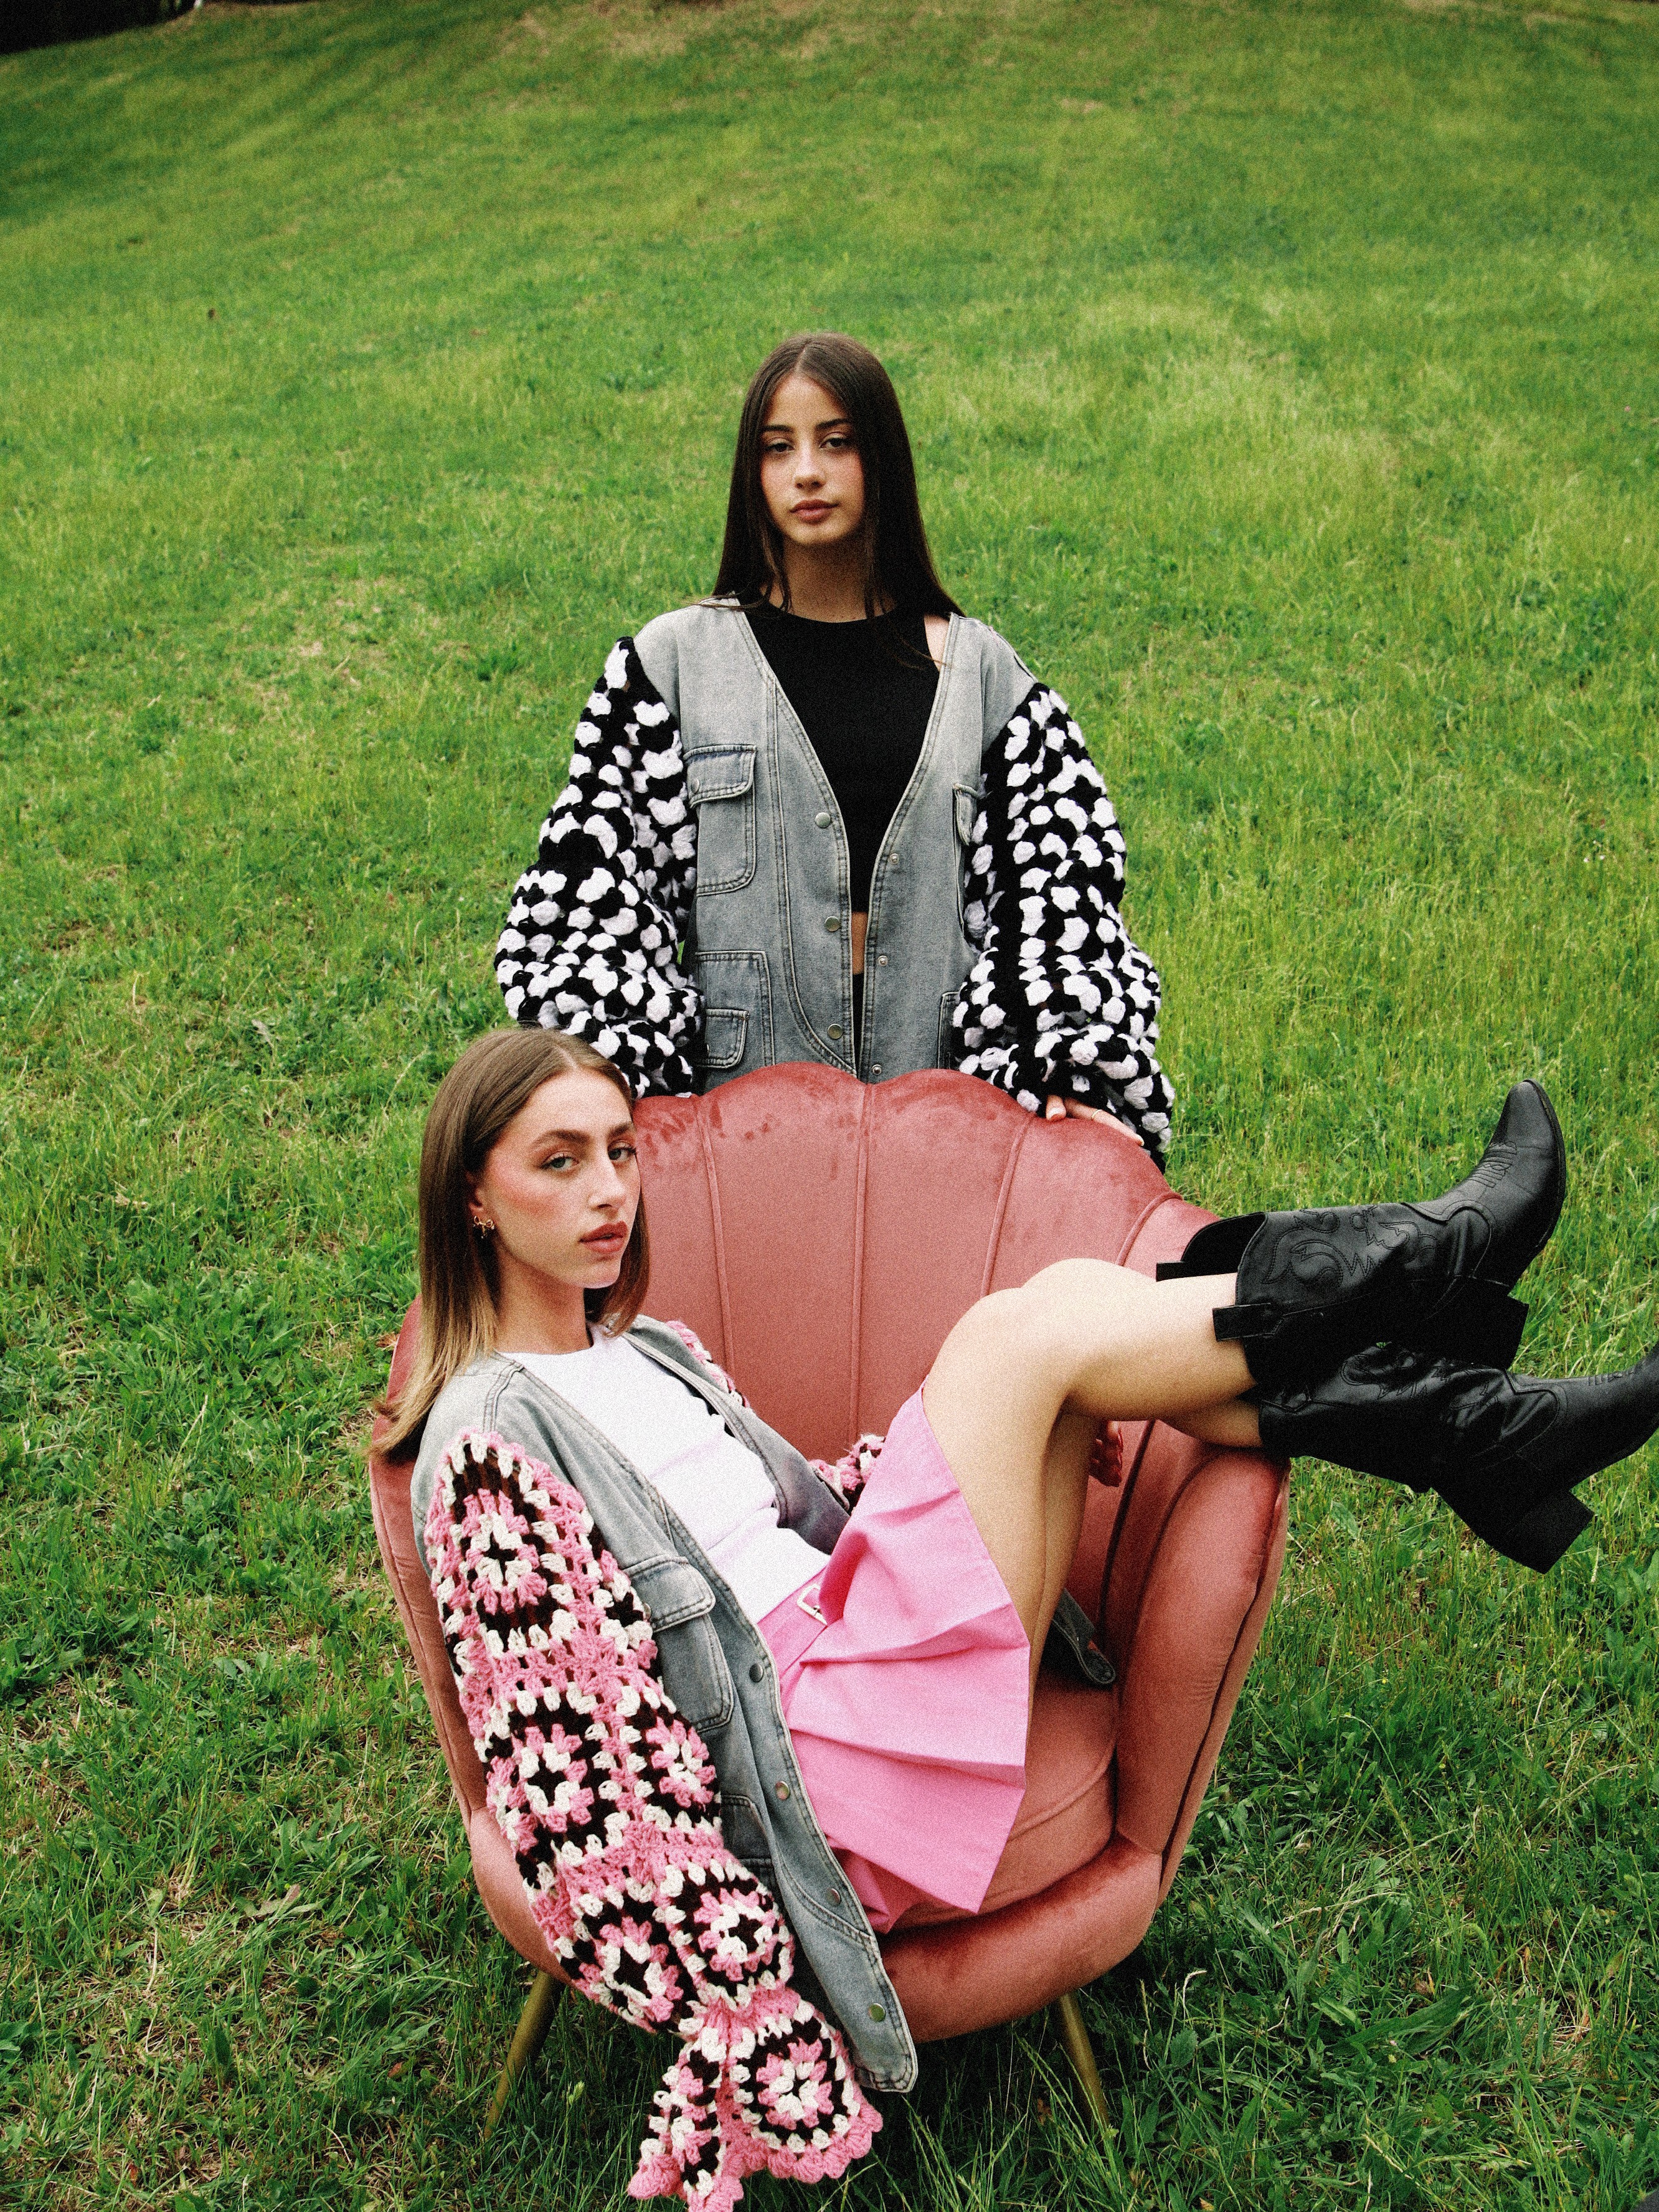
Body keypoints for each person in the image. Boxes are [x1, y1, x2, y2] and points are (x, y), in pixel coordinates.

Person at [386, 1027, 1658, 2118]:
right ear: (475, 1199)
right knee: (1016, 1338)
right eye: (560, 1162)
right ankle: (1452, 1332)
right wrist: (738, 1976)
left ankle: (1480, 1422)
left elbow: (795, 1512)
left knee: (1063, 1323)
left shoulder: (647, 1349)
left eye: (620, 1150)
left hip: (855, 1645)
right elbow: (568, 1764)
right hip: (816, 1765)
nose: (611, 1190)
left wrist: (965, 1454)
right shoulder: (492, 1435)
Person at [494, 330, 1172, 1157]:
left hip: (944, 1123)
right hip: (736, 1126)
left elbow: (1060, 898)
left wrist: (1060, 1062)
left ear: (882, 460)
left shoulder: (985, 678)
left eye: (837, 442)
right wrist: (627, 1084)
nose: (807, 472)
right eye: (778, 448)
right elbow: (593, 905)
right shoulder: (669, 668)